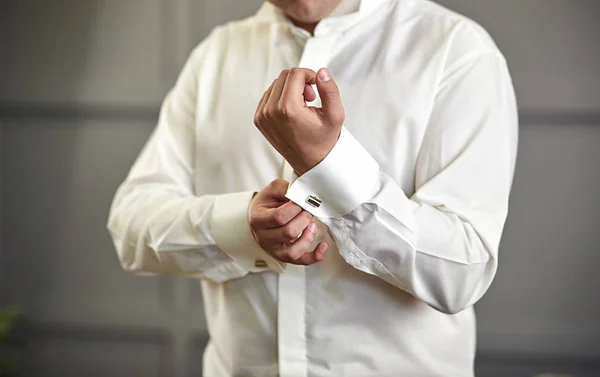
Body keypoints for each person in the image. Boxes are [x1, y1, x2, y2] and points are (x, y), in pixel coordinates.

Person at [107, 0, 518, 375]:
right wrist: (240, 226)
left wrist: (329, 165)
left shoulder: (456, 50)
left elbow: (461, 271)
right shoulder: (216, 55)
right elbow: (130, 226)